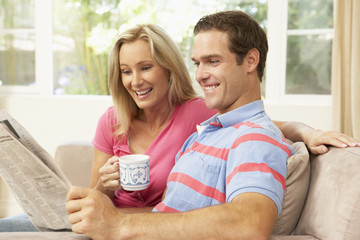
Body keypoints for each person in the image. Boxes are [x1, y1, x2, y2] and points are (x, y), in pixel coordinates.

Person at [2, 22, 359, 232]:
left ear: (168, 69)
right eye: (125, 71)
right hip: (113, 222)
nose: (134, 80)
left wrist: (308, 132)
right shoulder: (119, 121)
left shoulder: (202, 117)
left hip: (132, 227)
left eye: (145, 67)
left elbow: (264, 132)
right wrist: (102, 192)